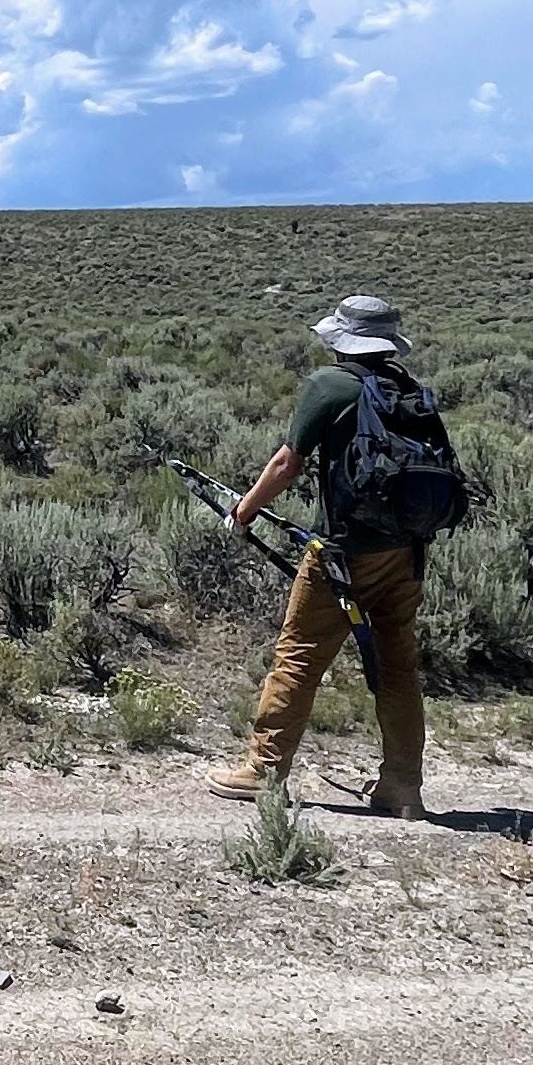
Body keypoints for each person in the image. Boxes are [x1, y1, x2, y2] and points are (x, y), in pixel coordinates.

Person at [209, 291, 450, 819]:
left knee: (298, 656)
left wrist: (243, 512)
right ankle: (403, 787)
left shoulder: (328, 386)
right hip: (406, 552)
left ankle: (263, 770)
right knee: (397, 666)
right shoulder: (407, 390)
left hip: (342, 555)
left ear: (342, 339)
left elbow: (286, 464)